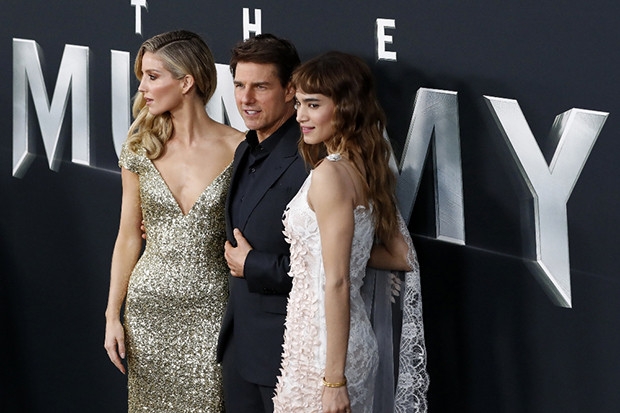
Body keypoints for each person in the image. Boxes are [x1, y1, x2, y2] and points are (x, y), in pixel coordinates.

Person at [272, 51, 428, 413]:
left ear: (346, 108)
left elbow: (338, 282)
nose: (300, 116)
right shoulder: (364, 168)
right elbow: (401, 255)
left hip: (324, 354)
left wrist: (334, 381)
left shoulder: (330, 174)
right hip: (338, 343)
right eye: (298, 104)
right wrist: (345, 254)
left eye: (313, 105)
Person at [103, 30, 244, 412]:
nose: (142, 89)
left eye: (152, 76)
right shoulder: (139, 148)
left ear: (186, 82)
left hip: (213, 308)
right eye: (142, 78)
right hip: (147, 310)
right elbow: (128, 236)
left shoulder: (240, 148)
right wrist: (112, 314)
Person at [215, 34, 308, 413]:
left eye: (261, 87)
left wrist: (253, 265)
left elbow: (335, 268)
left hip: (288, 353)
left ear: (291, 90)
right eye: (239, 85)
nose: (246, 98)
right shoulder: (245, 148)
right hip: (240, 348)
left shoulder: (311, 160)